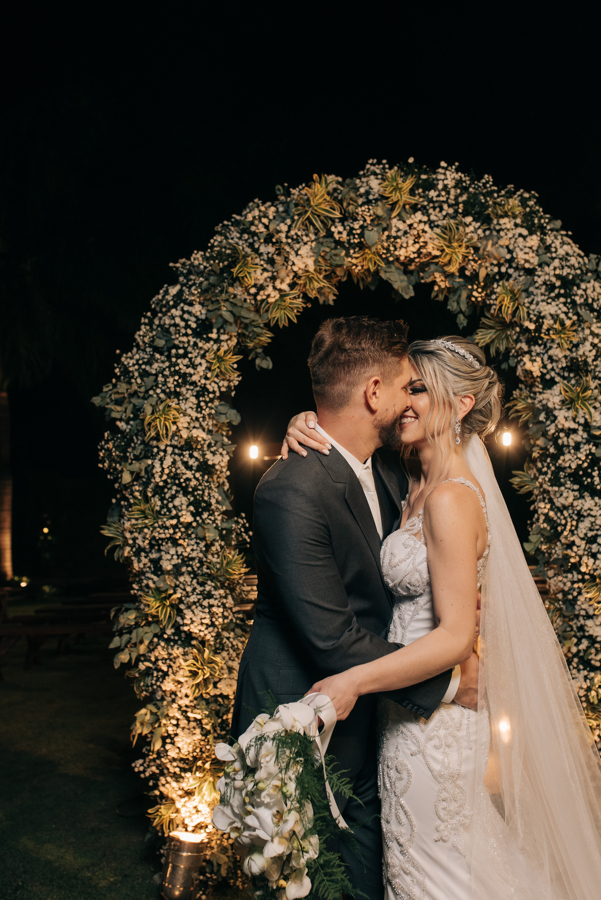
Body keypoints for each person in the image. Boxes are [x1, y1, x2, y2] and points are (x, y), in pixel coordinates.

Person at [284, 334, 601, 900]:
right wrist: (304, 421)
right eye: (403, 388)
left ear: (460, 404)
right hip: (404, 715)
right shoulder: (407, 482)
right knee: (416, 869)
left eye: (418, 390)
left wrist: (353, 680)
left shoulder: (451, 498)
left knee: (441, 874)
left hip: (438, 727)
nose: (403, 402)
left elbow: (455, 637)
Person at [230, 318, 479, 900]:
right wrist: (452, 681)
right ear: (373, 392)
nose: (410, 401)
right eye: (406, 387)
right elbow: (334, 641)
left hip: (373, 717)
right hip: (307, 721)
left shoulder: (393, 470)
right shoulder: (291, 488)